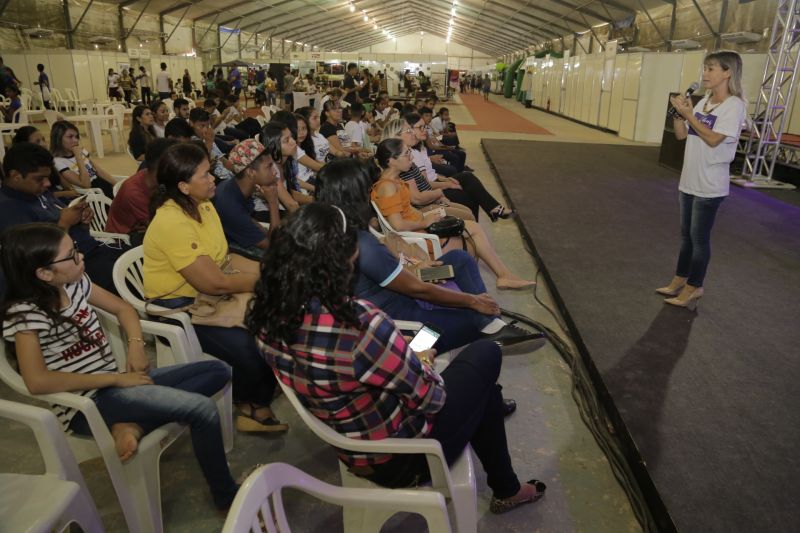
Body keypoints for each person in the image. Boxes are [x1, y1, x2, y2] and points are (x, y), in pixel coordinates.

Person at [248, 203, 547, 515]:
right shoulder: (359, 323)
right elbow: (432, 399)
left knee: (483, 389)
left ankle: (506, 485)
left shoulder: (268, 318)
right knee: (486, 353)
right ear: (344, 260)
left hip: (352, 443)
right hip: (402, 456)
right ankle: (507, 486)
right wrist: (421, 361)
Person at [0, 222, 240, 510]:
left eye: (76, 249)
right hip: (86, 404)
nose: (81, 256)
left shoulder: (76, 283)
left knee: (219, 370)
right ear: (44, 273)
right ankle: (226, 496)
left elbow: (124, 309)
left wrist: (136, 345)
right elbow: (37, 381)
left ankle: (132, 424)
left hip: (117, 386)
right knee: (202, 410)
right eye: (71, 255)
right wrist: (115, 380)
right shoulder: (25, 315)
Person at [316, 158, 543, 349]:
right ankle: (490, 328)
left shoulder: (333, 231)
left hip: (400, 301)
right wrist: (472, 301)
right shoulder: (361, 243)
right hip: (409, 329)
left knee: (459, 260)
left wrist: (413, 267)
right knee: (475, 324)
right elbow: (419, 289)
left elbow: (392, 275)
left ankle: (493, 326)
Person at [143, 142, 285, 432]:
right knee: (253, 347)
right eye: (205, 175)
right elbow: (214, 282)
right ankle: (252, 406)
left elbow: (226, 258)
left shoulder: (205, 206)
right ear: (183, 186)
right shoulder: (171, 222)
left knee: (277, 318)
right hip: (180, 308)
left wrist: (271, 271)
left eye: (211, 172)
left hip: (208, 296)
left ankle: (257, 390)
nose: (214, 180)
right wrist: (267, 280)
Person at [374, 139, 535, 290]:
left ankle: (499, 277)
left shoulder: (393, 182)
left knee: (473, 231)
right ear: (391, 161)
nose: (411, 157)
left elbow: (405, 212)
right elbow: (397, 225)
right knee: (473, 240)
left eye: (410, 152)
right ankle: (495, 279)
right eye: (406, 154)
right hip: (419, 239)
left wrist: (429, 214)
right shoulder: (388, 187)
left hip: (419, 229)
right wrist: (425, 221)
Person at [658, 51, 747, 309]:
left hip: (710, 185)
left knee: (699, 240)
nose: (705, 74)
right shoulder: (704, 101)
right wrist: (679, 114)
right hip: (689, 179)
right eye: (705, 69)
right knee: (686, 237)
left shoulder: (734, 105)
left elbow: (712, 139)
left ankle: (695, 286)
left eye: (711, 69)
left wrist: (689, 115)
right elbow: (682, 136)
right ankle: (679, 279)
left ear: (727, 72)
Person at [0, 142, 125, 294]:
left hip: (92, 249)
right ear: (15, 176)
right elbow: (38, 261)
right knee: (138, 282)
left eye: (47, 177)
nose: (47, 183)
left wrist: (82, 220)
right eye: (40, 178)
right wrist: (65, 222)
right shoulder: (8, 209)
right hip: (74, 268)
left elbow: (70, 224)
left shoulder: (37, 192)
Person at [212, 139, 280, 261]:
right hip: (229, 251)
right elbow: (273, 245)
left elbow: (248, 219)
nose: (275, 171)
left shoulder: (238, 185)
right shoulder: (230, 206)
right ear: (251, 172)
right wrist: (273, 202)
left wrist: (262, 230)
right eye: (269, 166)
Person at [106, 138, 177, 243]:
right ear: (163, 167)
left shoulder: (150, 175)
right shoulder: (134, 193)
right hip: (125, 238)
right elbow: (163, 225)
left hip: (146, 226)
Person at [50, 120, 117, 198]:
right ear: (58, 139)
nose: (75, 140)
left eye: (76, 136)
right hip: (90, 194)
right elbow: (86, 184)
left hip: (101, 185)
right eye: (70, 137)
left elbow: (99, 171)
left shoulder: (81, 150)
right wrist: (78, 157)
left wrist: (117, 185)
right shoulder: (58, 161)